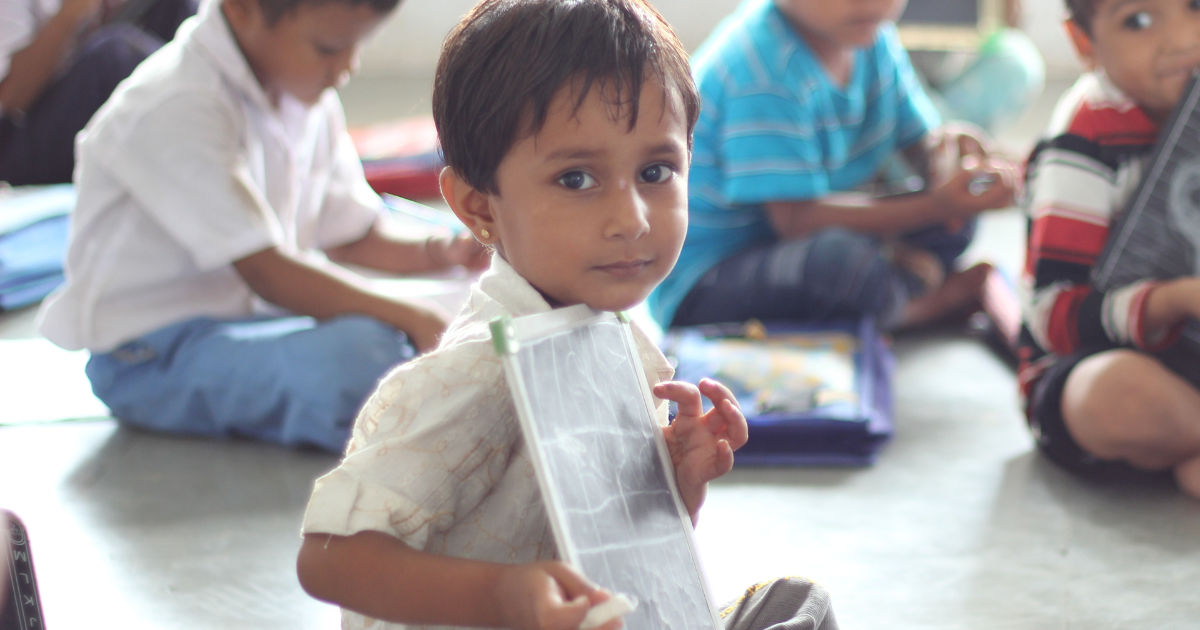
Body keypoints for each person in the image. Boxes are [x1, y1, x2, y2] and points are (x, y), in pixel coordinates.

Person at [295, 2, 837, 629]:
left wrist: (674, 488)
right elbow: (329, 559)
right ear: (479, 208)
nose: (631, 219)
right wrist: (503, 598)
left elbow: (613, 558)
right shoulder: (475, 376)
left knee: (796, 604)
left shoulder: (611, 339)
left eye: (656, 172)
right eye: (576, 179)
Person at [35, 0, 487, 452]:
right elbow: (267, 272)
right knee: (367, 359)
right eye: (329, 47)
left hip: (253, 323)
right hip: (150, 356)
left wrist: (439, 251)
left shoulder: (306, 96)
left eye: (357, 46)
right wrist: (413, 317)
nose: (346, 68)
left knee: (460, 308)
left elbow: (353, 235)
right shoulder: (177, 102)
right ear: (242, 10)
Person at [649, 0, 1020, 332]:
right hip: (709, 278)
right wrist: (936, 204)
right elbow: (795, 220)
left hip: (800, 235)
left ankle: (892, 283)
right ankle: (916, 306)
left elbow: (918, 142)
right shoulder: (762, 70)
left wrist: (951, 157)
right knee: (841, 265)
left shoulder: (873, 38)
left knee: (956, 221)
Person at [1017, 0, 1200, 498]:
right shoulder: (1083, 139)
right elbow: (1052, 318)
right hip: (1100, 359)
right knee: (1114, 394)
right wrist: (1176, 300)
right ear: (1083, 41)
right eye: (1138, 20)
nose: (1183, 39)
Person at [0, 0, 198, 185]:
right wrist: (72, 13)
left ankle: (204, 123)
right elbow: (10, 96)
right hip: (16, 146)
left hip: (79, 114)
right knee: (115, 56)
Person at [906, 0, 1045, 135]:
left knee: (1019, 59)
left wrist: (1005, 12)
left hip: (954, 80)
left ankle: (945, 136)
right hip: (899, 75)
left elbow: (1012, 19)